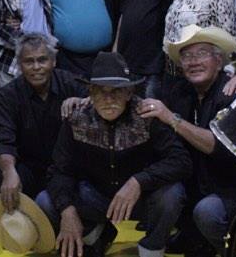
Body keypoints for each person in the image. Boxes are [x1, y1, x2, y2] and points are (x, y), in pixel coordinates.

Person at [141, 25, 236, 256]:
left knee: (207, 212)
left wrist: (172, 119)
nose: (193, 62)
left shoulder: (233, 91)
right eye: (187, 56)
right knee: (167, 190)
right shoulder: (179, 92)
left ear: (219, 62)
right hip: (201, 184)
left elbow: (217, 146)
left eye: (201, 54)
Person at [36, 52, 190, 257]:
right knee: (46, 201)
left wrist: (139, 181)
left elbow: (181, 161)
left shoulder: (147, 115)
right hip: (95, 197)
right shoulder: (75, 118)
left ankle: (152, 248)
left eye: (116, 91)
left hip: (141, 201)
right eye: (101, 91)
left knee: (172, 194)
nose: (108, 99)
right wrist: (67, 211)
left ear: (129, 93)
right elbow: (59, 171)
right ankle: (95, 235)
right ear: (90, 93)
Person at [0, 33, 87, 211]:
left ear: (53, 61)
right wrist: (9, 172)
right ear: (20, 65)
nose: (36, 67)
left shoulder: (71, 84)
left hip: (67, 168)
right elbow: (2, 139)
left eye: (42, 60)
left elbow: (99, 102)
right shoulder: (7, 96)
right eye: (29, 61)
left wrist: (84, 102)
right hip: (30, 167)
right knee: (0, 174)